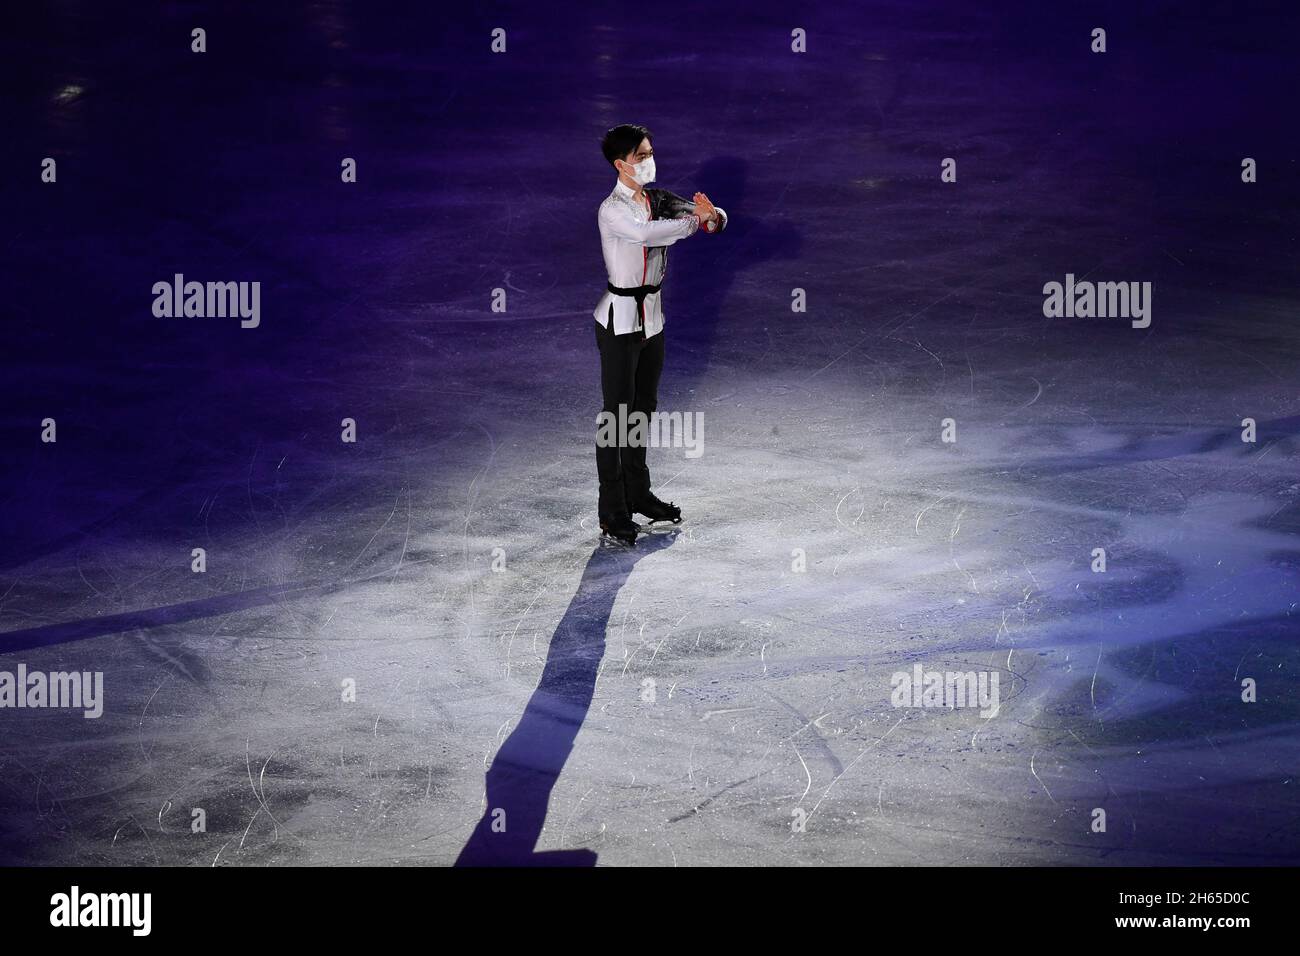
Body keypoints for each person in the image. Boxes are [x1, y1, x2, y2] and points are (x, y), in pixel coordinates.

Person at [592, 124, 727, 545]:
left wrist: (712, 217)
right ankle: (612, 511)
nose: (650, 160)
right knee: (616, 418)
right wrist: (692, 225)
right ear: (621, 164)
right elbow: (645, 235)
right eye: (641, 155)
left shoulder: (659, 199)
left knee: (643, 410)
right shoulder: (613, 209)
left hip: (653, 319)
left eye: (651, 152)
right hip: (619, 323)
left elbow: (711, 216)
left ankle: (638, 494)